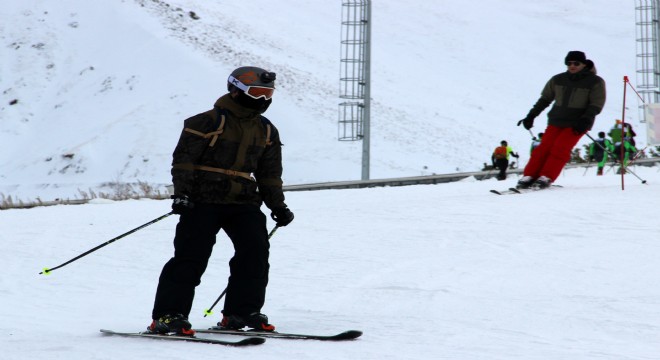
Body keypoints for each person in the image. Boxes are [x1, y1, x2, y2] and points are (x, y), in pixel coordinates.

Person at [147, 66, 295, 336]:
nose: (263, 100)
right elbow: (184, 162)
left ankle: (241, 312)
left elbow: (270, 174)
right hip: (201, 201)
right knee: (191, 258)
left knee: (255, 253)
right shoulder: (204, 122)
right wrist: (182, 194)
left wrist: (278, 206)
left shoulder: (267, 130)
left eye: (267, 94)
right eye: (257, 93)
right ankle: (168, 316)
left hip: (243, 203)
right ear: (236, 91)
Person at [516, 51, 606, 189]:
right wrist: (531, 116)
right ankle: (529, 176)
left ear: (584, 64)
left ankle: (546, 176)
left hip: (577, 123)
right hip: (556, 120)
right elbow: (545, 99)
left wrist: (586, 119)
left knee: (560, 148)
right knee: (542, 149)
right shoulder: (558, 79)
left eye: (576, 63)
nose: (572, 66)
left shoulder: (595, 82)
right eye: (569, 63)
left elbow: (596, 104)